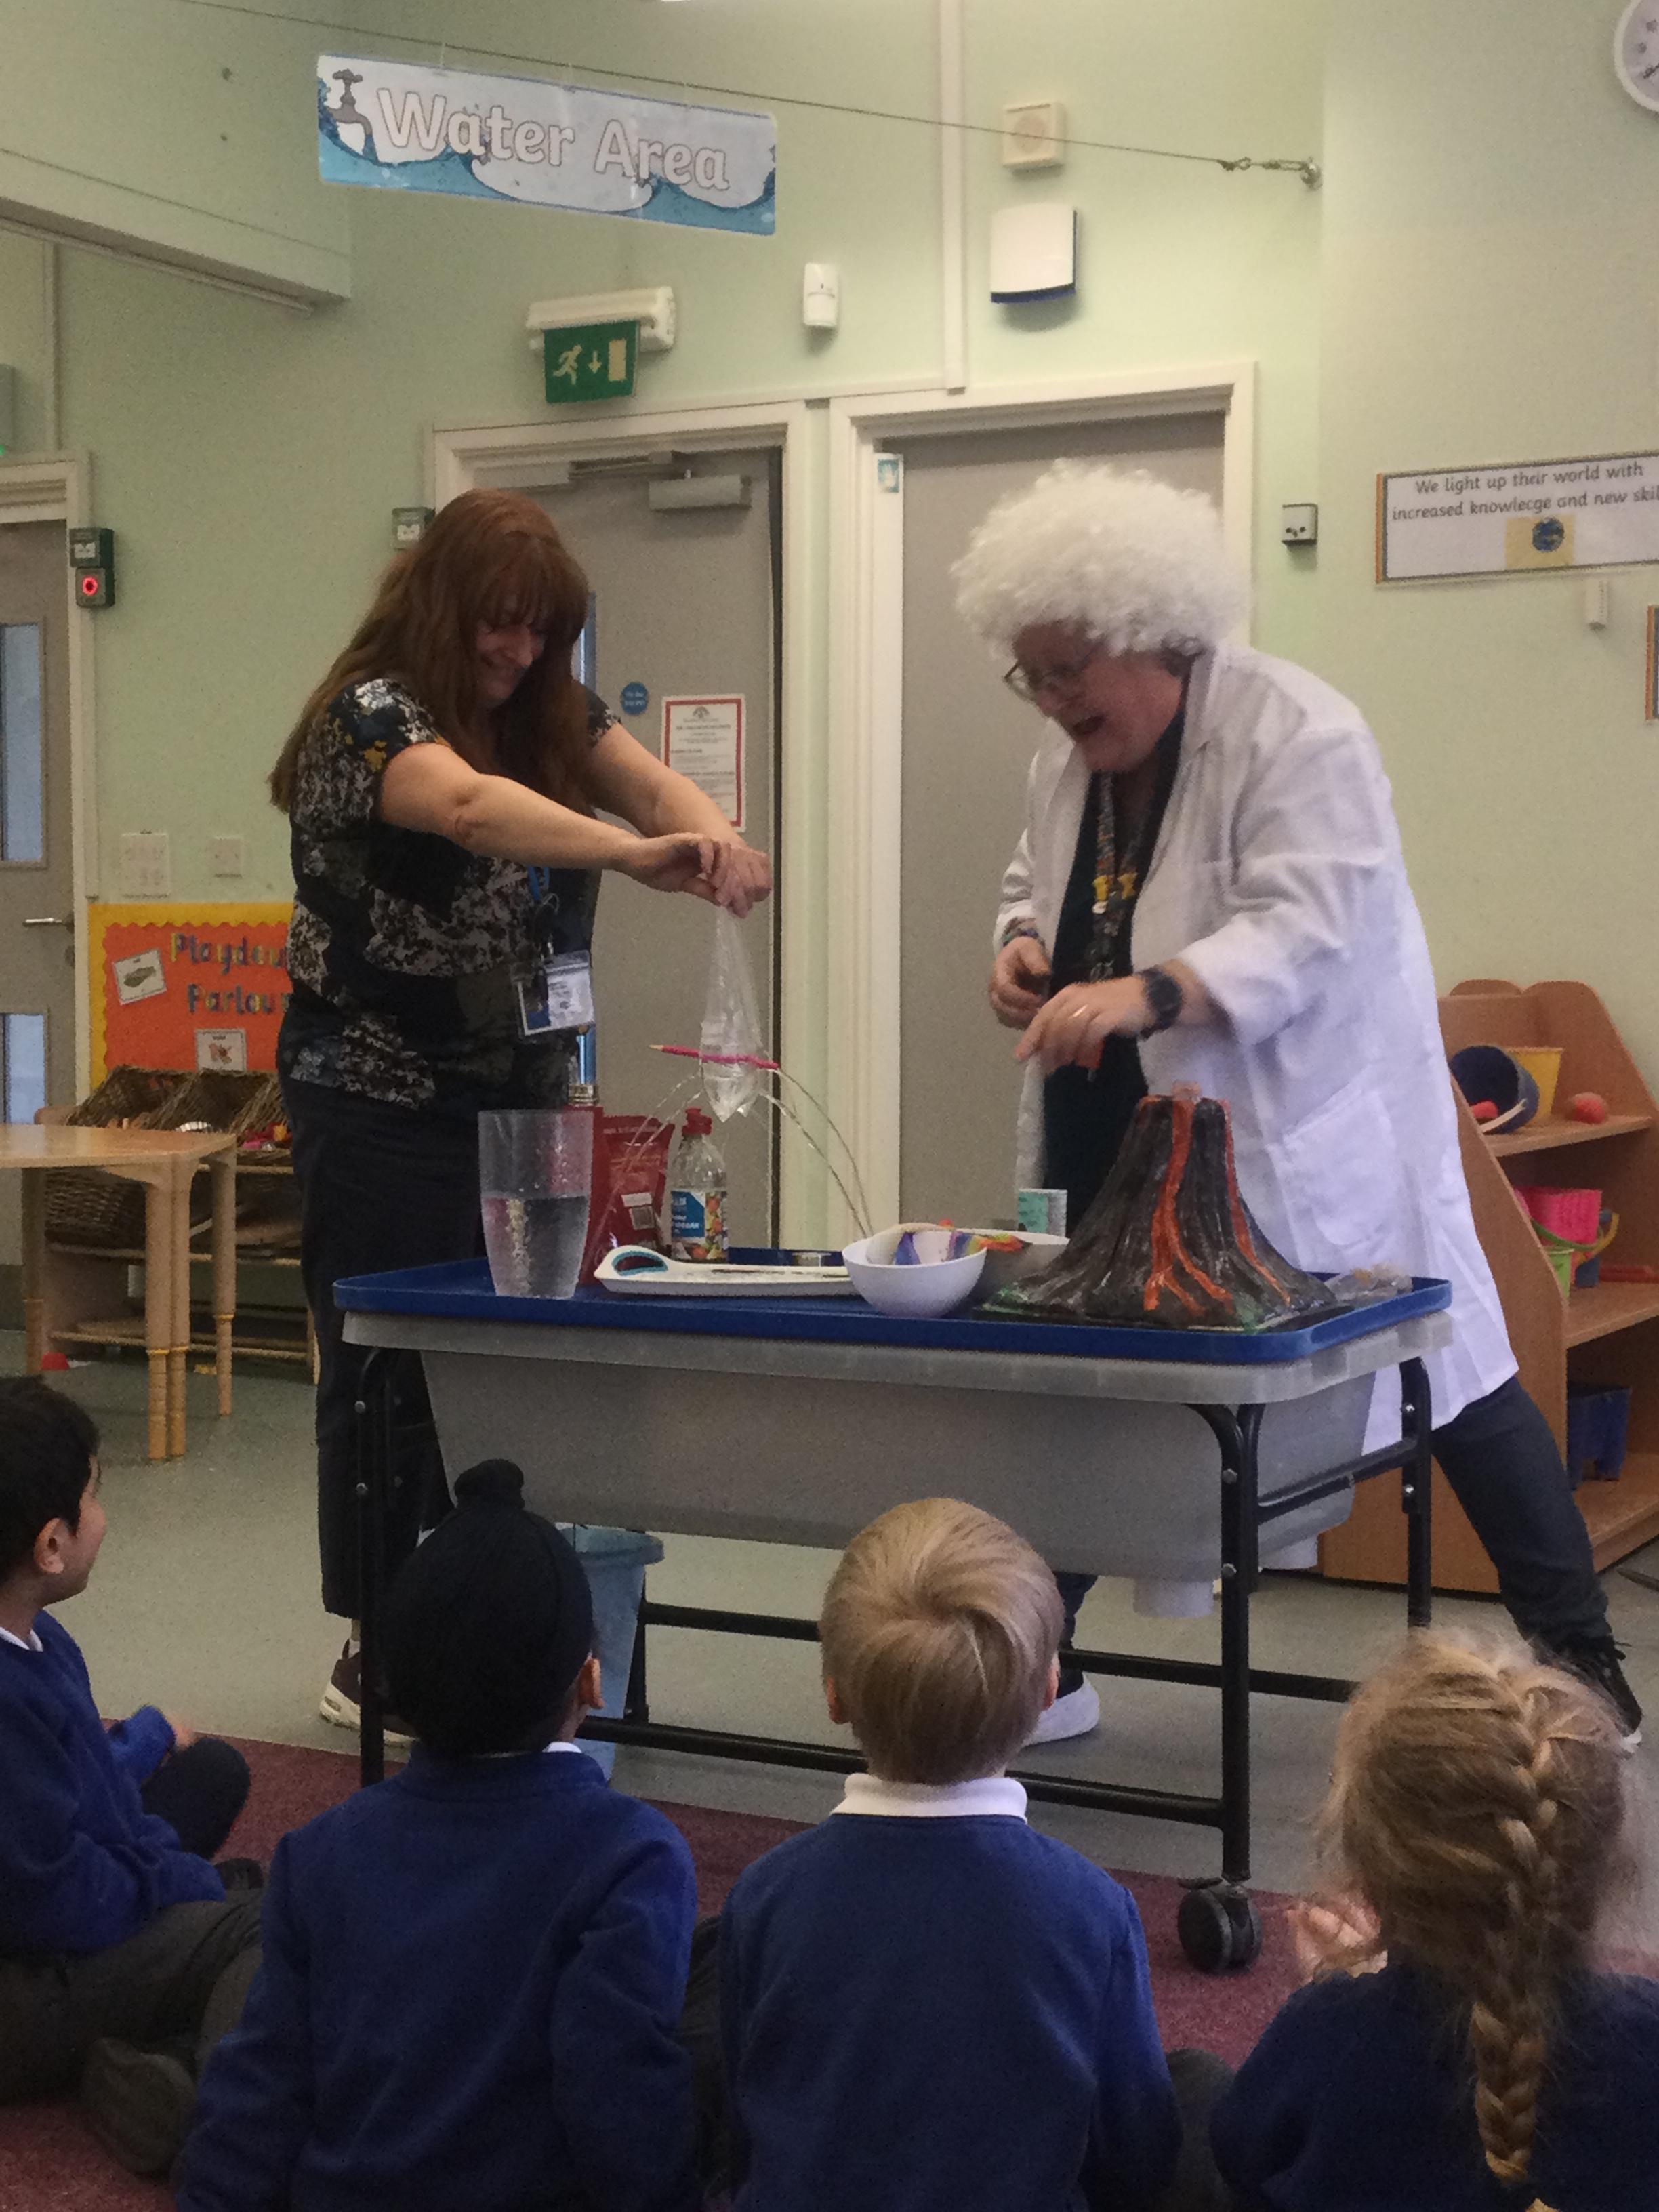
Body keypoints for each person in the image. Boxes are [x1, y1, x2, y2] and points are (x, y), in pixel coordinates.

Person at [954, 462, 1640, 1746]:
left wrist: (1148, 993)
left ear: (1151, 631)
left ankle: (1586, 1667)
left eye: (1069, 670)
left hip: (1303, 1126)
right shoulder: (1073, 756)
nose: (1051, 701)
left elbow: (1309, 923)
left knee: (1453, 1377)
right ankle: (1037, 1666)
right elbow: (1030, 875)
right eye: (1029, 675)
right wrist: (1019, 944)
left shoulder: (1299, 732)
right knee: (1095, 1386)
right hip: (1122, 1125)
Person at [268, 486, 771, 1734]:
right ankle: (378, 1642)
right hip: (377, 1097)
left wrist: (711, 840)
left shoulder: (553, 710)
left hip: (525, 1100)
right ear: (440, 606)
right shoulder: (370, 716)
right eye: (498, 623)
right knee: (391, 1374)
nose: (518, 649)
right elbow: (466, 809)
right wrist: (633, 856)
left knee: (524, 1364)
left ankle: (508, 1632)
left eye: (542, 629)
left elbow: (654, 788)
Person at [177, 1458, 701, 2212]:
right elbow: (617, 2092)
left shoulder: (319, 1850)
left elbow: (262, 2085)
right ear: (590, 1682)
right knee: (721, 1999)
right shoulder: (632, 1852)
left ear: (390, 1690)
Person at [716, 1496, 1231, 2212]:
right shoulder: (1089, 1906)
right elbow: (1136, 2154)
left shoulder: (766, 1893)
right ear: (1048, 1693)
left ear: (834, 1697)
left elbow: (745, 2110)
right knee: (1202, 2088)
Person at [1210, 1630, 1659, 2207]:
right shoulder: (1646, 2038)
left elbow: (1241, 2151)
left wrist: (1357, 1997)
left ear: (1370, 1866)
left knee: (1196, 2085)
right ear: (1605, 1859)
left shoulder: (1326, 2037)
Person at [0, 1378, 262, 2177]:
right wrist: (178, 1886)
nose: (104, 1516)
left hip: (47, 1902)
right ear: (51, 1545)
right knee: (260, 1928)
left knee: (210, 1774)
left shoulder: (38, 1640)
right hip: (24, 1978)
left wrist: (143, 1742)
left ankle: (156, 2051)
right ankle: (213, 2115)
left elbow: (76, 1792)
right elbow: (50, 1897)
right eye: (93, 1496)